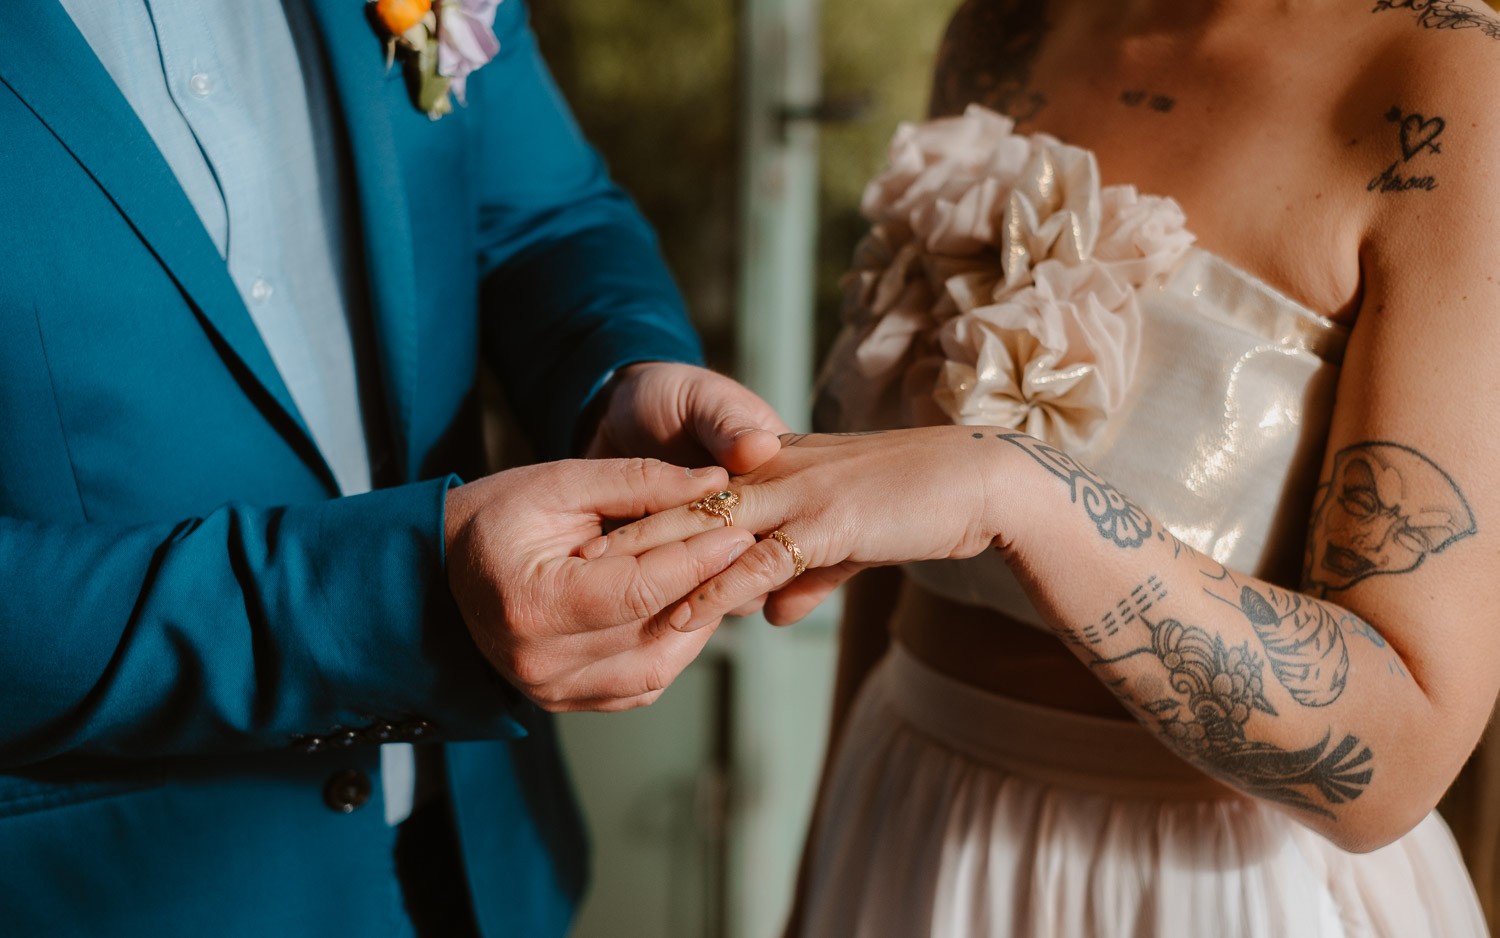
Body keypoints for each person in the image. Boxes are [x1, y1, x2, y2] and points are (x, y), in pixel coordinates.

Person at [598, 0, 1500, 933]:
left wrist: (1015, 492)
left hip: (1209, 887)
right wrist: (823, 858)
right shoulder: (1007, 26)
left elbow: (1396, 764)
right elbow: (890, 555)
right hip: (904, 823)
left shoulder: (1452, 81)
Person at [0, 1, 786, 935]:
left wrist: (617, 374)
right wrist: (407, 592)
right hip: (124, 888)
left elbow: (545, 217)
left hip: (484, 862)